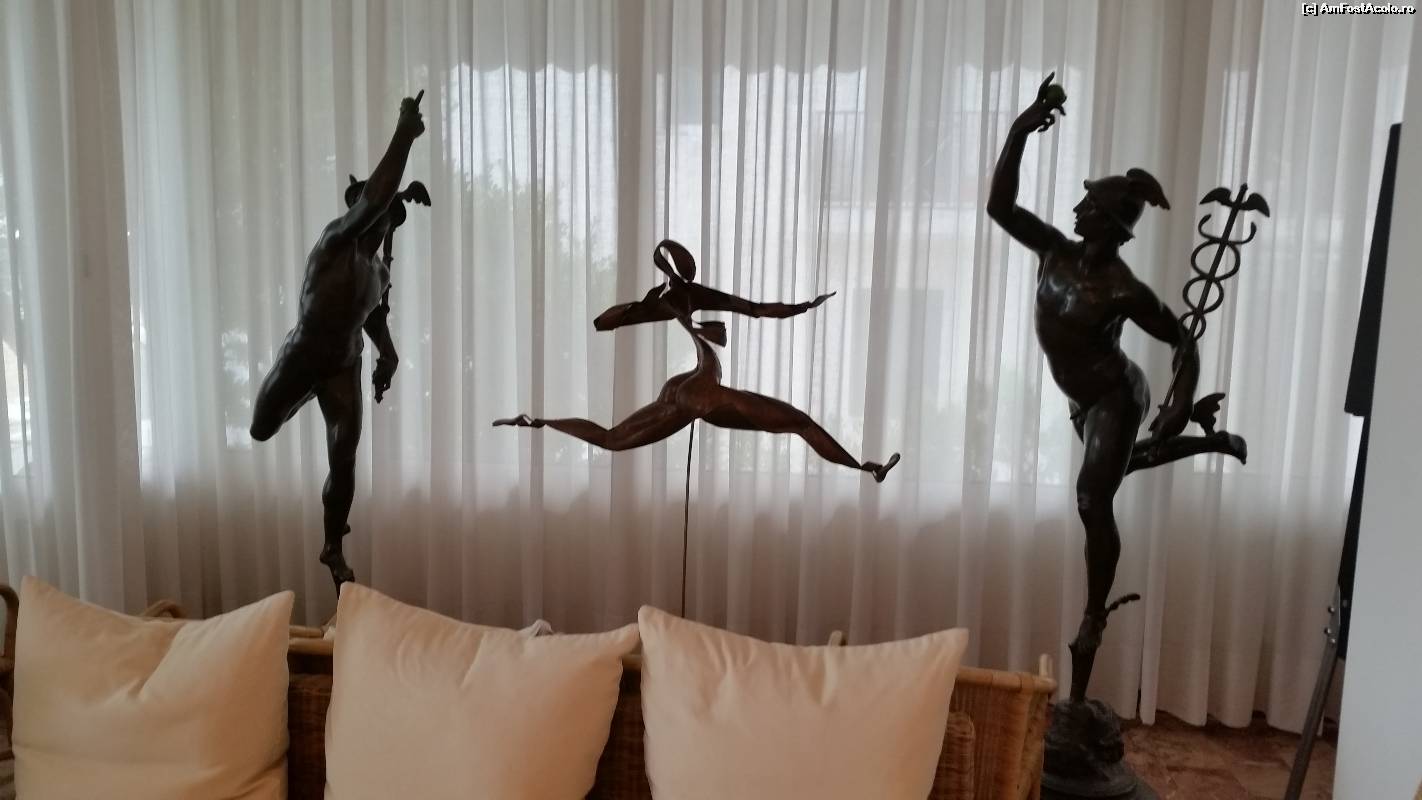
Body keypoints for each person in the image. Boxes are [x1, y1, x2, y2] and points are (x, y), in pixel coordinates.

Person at [988, 75, 1246, 701]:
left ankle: (1093, 616)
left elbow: (1182, 340)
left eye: (1086, 205)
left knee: (1091, 498)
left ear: (1104, 222)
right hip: (1079, 397)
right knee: (1116, 470)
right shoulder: (1053, 251)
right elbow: (1001, 207)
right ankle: (1212, 442)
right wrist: (1021, 129)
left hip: (1115, 395)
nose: (1075, 211)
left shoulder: (1124, 290)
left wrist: (1178, 397)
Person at [495, 240, 900, 483]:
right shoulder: (689, 296)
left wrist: (644, 304)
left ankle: (538, 421)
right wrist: (803, 307)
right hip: (704, 391)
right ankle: (866, 468)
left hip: (679, 388)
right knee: (800, 423)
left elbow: (604, 322)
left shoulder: (668, 299)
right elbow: (759, 310)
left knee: (612, 439)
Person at [250, 92, 428, 587]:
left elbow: (371, 320)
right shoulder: (336, 241)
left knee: (343, 455)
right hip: (304, 354)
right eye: (381, 207)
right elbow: (375, 197)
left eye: (390, 213)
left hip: (344, 363)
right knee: (261, 428)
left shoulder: (378, 272)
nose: (384, 215)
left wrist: (389, 356)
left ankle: (332, 545)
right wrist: (405, 132)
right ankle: (296, 399)